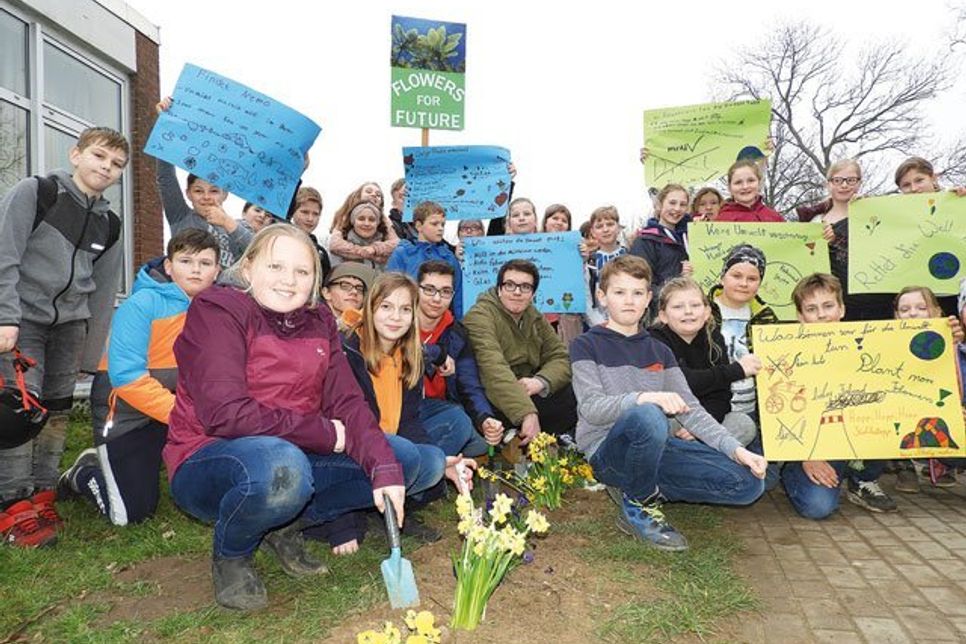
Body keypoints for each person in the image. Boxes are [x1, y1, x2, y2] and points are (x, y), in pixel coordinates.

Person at [163, 225, 436, 611]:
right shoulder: (217, 311)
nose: (289, 281)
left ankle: (286, 525)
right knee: (281, 467)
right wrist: (325, 434)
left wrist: (385, 471)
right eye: (276, 266)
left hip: (292, 454)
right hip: (209, 457)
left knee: (404, 459)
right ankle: (233, 554)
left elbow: (348, 402)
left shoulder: (319, 321)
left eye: (302, 271)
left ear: (314, 279)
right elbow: (226, 414)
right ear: (249, 267)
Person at [571, 255, 766, 551]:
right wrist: (644, 397)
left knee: (748, 484)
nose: (629, 301)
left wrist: (737, 450)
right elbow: (592, 409)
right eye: (619, 292)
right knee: (649, 415)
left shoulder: (659, 351)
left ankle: (638, 484)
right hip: (606, 451)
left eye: (638, 293)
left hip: (656, 448)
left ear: (649, 298)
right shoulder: (586, 345)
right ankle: (640, 503)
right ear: (602, 296)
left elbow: (692, 410)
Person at [0, 126, 128, 547]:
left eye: (116, 165)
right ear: (76, 155)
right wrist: (5, 317)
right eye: (99, 157)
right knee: (20, 410)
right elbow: (5, 255)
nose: (105, 168)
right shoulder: (37, 193)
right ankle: (12, 505)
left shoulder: (109, 223)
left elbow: (105, 289)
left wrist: (92, 352)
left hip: (70, 327)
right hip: (23, 320)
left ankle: (42, 492)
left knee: (55, 413)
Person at [58, 229, 221, 526]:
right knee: (130, 514)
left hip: (171, 411)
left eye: (205, 262)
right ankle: (84, 472)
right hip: (125, 413)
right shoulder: (141, 304)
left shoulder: (217, 310)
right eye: (186, 261)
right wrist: (184, 416)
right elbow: (128, 379)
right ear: (169, 267)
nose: (196, 269)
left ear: (217, 270)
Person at [340, 272, 473, 549]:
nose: (395, 317)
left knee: (433, 458)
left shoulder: (408, 356)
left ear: (414, 315)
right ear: (370, 307)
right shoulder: (347, 350)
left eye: (404, 310)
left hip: (391, 441)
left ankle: (396, 508)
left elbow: (410, 420)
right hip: (353, 446)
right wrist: (340, 528)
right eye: (386, 307)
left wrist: (440, 461)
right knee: (408, 455)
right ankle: (346, 512)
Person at [779, 273, 898, 519]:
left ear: (842, 309)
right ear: (800, 317)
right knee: (818, 506)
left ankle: (863, 478)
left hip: (859, 441)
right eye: (811, 309)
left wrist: (948, 341)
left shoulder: (873, 346)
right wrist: (807, 456)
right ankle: (792, 472)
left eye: (828, 306)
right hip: (811, 447)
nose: (822, 315)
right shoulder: (785, 355)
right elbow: (782, 413)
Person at [463, 259, 577, 444]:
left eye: (525, 287)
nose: (517, 292)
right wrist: (526, 413)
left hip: (527, 389)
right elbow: (493, 369)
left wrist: (540, 382)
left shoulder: (534, 316)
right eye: (510, 285)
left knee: (573, 390)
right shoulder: (479, 316)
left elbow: (559, 356)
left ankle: (553, 447)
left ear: (532, 293)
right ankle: (522, 443)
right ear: (499, 289)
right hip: (493, 395)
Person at [649, 277, 759, 446]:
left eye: (695, 305)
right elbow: (681, 382)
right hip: (672, 416)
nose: (688, 311)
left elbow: (723, 394)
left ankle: (698, 458)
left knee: (743, 424)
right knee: (658, 423)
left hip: (703, 417)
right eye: (678, 307)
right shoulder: (654, 340)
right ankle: (700, 459)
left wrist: (701, 424)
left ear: (707, 312)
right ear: (663, 315)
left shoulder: (713, 336)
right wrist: (736, 370)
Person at [415, 261, 500, 457]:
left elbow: (470, 384)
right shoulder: (400, 320)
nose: (437, 299)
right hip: (401, 406)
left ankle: (427, 457)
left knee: (479, 443)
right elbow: (398, 352)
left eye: (445, 292)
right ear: (416, 289)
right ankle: (426, 468)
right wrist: (436, 353)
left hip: (437, 409)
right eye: (429, 290)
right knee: (458, 423)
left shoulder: (456, 333)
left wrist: (484, 418)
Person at [155, 97, 252, 268]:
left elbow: (257, 252)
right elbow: (165, 176)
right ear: (188, 194)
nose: (206, 197)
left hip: (226, 293)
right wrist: (165, 124)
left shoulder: (238, 226)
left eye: (214, 191)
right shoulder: (181, 216)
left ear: (225, 194)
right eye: (199, 191)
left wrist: (227, 223)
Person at [892, 285, 965, 491]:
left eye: (921, 307)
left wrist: (953, 347)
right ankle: (902, 465)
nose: (913, 313)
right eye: (904, 310)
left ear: (937, 312)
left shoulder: (953, 342)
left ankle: (944, 461)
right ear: (896, 316)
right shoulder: (884, 347)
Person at [708, 245, 778, 419]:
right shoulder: (702, 312)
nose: (743, 283)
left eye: (752, 278)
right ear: (722, 277)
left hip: (755, 411)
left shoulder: (766, 317)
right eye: (736, 276)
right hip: (710, 409)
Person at [894, 156, 966, 317]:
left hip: (957, 293)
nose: (913, 188)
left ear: (933, 178)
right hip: (920, 301)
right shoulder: (896, 216)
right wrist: (861, 207)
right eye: (906, 185)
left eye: (919, 180)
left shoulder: (958, 201)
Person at [386, 201, 464, 318]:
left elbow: (458, 296)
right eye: (434, 224)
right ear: (419, 226)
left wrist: (460, 325)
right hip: (407, 319)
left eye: (443, 224)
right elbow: (390, 289)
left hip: (440, 321)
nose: (440, 229)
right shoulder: (403, 253)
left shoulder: (449, 257)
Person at [630, 184, 693, 305]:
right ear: (659, 205)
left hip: (689, 308)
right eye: (672, 203)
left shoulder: (690, 239)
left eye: (683, 204)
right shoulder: (645, 241)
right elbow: (640, 283)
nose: (677, 208)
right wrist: (678, 277)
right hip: (659, 311)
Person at [585, 206, 626, 326]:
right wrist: (599, 323)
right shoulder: (589, 262)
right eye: (599, 226)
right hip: (599, 322)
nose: (605, 229)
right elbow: (587, 295)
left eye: (610, 224)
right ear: (592, 232)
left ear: (618, 228)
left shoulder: (631, 256)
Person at [329, 201, 398, 270]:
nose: (366, 223)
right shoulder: (338, 250)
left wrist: (375, 248)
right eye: (361, 219)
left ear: (377, 223)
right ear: (353, 221)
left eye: (372, 220)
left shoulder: (390, 250)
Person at [287, 186, 332, 281]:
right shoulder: (279, 240)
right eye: (305, 212)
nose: (310, 219)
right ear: (292, 212)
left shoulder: (321, 253)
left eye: (315, 214)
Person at [715, 160, 783, 223]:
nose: (745, 186)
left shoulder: (775, 218)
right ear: (730, 188)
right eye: (738, 182)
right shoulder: (722, 220)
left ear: (759, 183)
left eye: (751, 180)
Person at [387, 178, 417, 243]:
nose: (406, 199)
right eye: (401, 196)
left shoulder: (424, 221)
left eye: (408, 195)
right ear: (394, 204)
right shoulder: (391, 225)